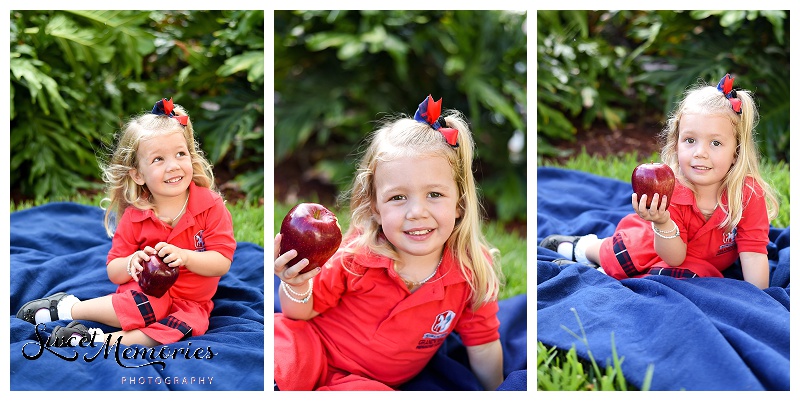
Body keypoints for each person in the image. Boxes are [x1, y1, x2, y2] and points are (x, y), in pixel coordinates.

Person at [274, 95, 505, 390]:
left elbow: (484, 345)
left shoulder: (470, 270)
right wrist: (296, 285)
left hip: (369, 383)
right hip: (314, 347)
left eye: (434, 195)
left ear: (459, 203)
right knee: (278, 350)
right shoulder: (357, 254)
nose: (417, 212)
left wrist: (499, 390)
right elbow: (301, 314)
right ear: (376, 208)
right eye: (398, 198)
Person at [16, 98, 236, 346]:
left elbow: (221, 263)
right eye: (158, 159)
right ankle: (68, 309)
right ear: (138, 175)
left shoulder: (210, 206)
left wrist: (186, 257)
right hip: (146, 292)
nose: (173, 166)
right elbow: (114, 270)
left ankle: (97, 341)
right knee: (142, 307)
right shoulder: (136, 215)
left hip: (191, 302)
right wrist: (132, 262)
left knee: (184, 329)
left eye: (180, 154)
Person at [540, 73, 779, 290]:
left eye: (715, 143)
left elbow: (753, 252)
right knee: (624, 257)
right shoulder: (672, 189)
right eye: (690, 140)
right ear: (676, 144)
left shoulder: (746, 193)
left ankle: (602, 273)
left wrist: (758, 299)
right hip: (656, 240)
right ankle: (585, 248)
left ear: (736, 151)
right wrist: (663, 222)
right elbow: (674, 255)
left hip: (697, 265)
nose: (700, 153)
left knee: (679, 279)